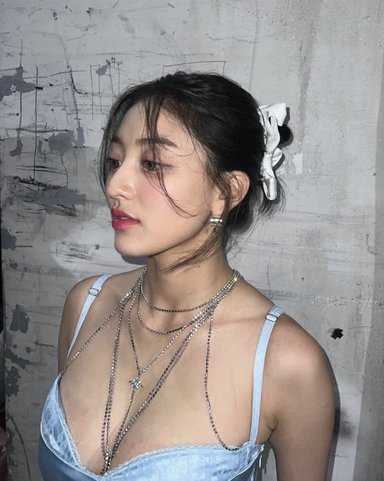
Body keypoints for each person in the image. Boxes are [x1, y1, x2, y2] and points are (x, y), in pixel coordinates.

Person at [38, 71, 335, 481]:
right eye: (115, 161)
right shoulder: (86, 306)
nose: (115, 185)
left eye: (152, 164)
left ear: (226, 191)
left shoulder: (286, 363)